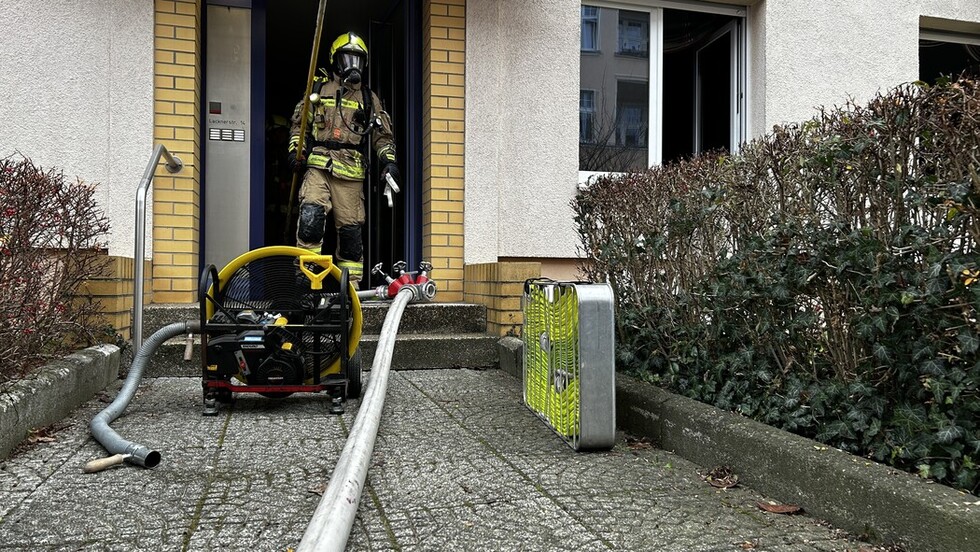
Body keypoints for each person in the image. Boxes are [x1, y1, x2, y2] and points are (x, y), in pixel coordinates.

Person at [288, 32, 399, 285]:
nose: (352, 65)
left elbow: (383, 137)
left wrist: (388, 161)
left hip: (351, 173)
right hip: (319, 166)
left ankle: (350, 291)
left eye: (357, 59)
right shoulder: (318, 89)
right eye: (347, 58)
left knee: (350, 236)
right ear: (335, 60)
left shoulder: (369, 99)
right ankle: (307, 283)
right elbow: (300, 126)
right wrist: (296, 151)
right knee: (311, 220)